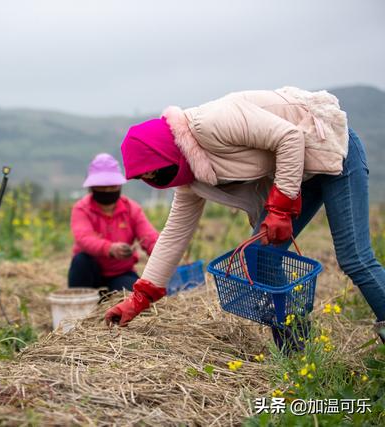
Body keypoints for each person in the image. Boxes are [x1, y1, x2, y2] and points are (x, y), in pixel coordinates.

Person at [104, 87, 385, 343]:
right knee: (260, 257)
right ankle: (297, 350)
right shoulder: (191, 178)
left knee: (354, 257)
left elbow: (290, 137)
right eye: (147, 177)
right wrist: (140, 297)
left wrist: (279, 208)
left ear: (165, 150)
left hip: (331, 149)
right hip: (298, 176)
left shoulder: (211, 123)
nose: (154, 178)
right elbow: (174, 235)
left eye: (153, 170)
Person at [69, 153, 159, 292]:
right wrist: (110, 249)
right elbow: (84, 238)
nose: (107, 190)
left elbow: (149, 237)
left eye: (112, 186)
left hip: (121, 273)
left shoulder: (132, 209)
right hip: (89, 272)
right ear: (92, 187)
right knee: (81, 261)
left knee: (132, 295)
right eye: (102, 187)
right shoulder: (81, 209)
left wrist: (162, 254)